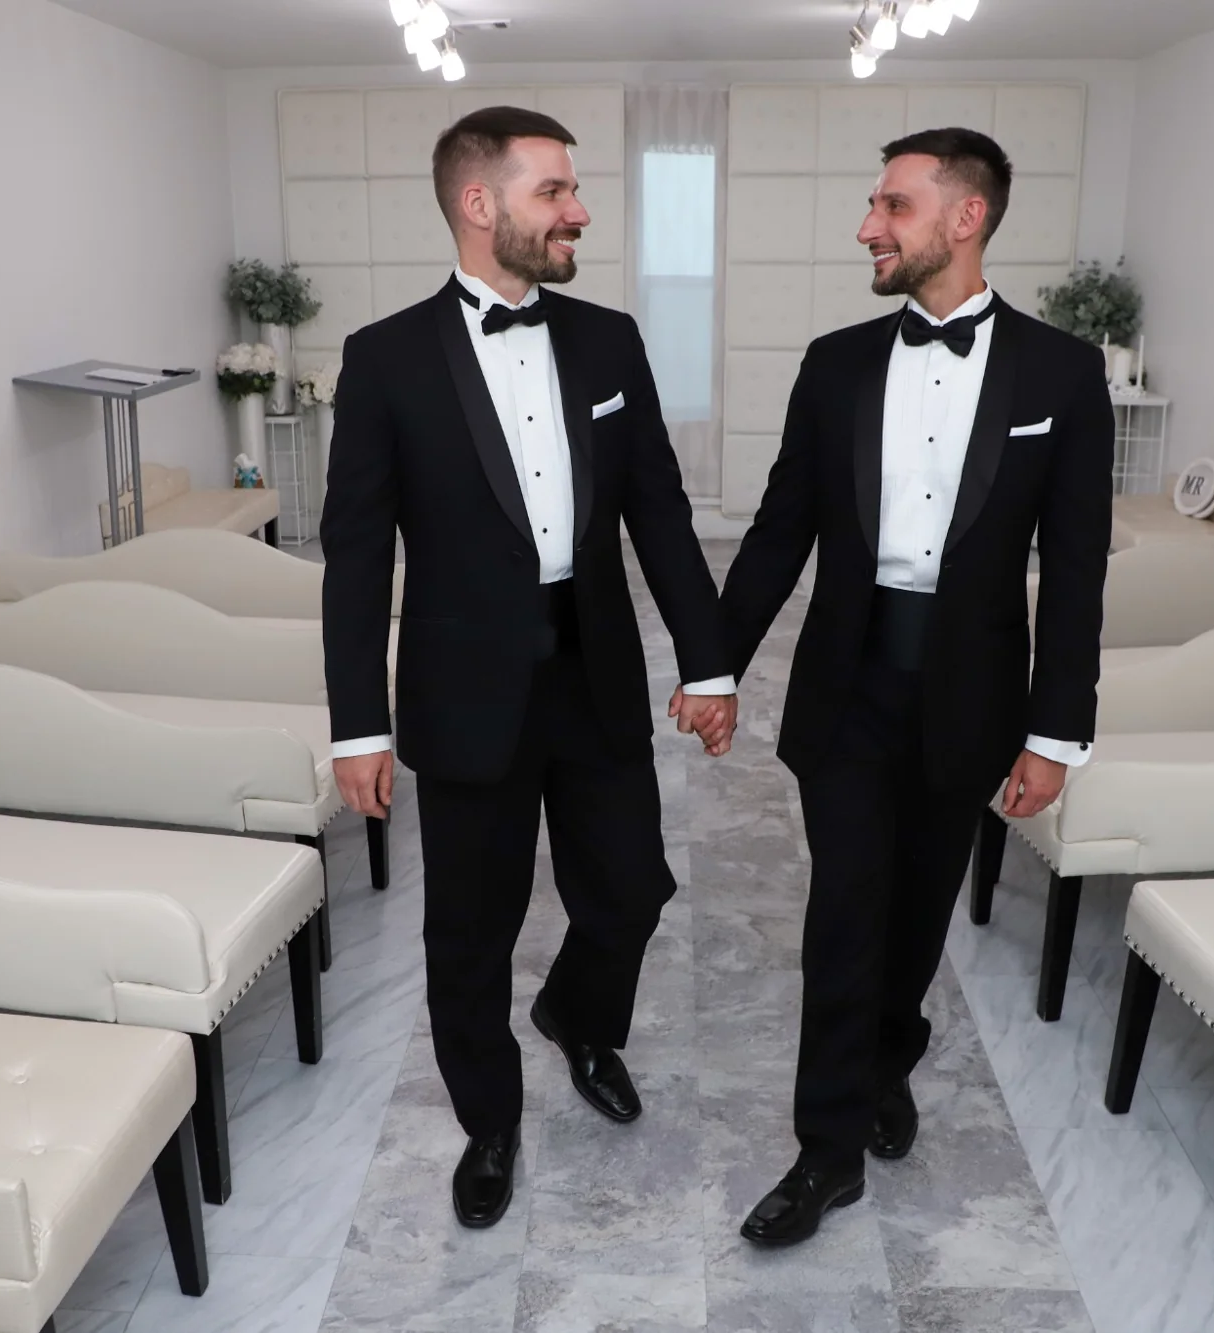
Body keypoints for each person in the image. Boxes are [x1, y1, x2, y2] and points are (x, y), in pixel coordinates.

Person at [321, 106, 737, 1230]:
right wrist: (357, 725)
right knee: (468, 930)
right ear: (479, 204)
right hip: (465, 691)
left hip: (593, 668)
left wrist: (708, 663)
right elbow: (355, 560)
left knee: (633, 888)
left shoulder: (608, 340)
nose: (578, 210)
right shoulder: (384, 359)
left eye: (573, 189)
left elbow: (658, 510)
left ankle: (579, 1018)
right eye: (554, 190)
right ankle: (489, 1121)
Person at [716, 127, 1112, 1246]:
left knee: (916, 912)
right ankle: (826, 1149)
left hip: (970, 695)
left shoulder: (1061, 373)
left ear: (965, 217)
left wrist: (1056, 734)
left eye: (891, 205)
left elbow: (1074, 570)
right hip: (846, 685)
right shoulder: (834, 362)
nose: (867, 227)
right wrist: (714, 662)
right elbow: (779, 529)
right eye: (872, 205)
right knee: (845, 911)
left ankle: (889, 1056)